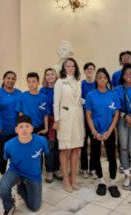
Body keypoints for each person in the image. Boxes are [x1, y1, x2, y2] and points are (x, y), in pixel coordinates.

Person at [0, 115, 49, 214]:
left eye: (27, 126)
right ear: (16, 130)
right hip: (16, 171)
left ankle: (21, 188)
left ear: (32, 128)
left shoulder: (42, 141)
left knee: (34, 207)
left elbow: (46, 154)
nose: (24, 129)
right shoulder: (8, 145)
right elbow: (5, 159)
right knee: (2, 189)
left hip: (33, 175)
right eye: (21, 127)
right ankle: (10, 205)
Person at [85, 68, 121, 197]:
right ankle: (101, 181)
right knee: (95, 156)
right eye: (99, 77)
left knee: (112, 157)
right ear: (96, 79)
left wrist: (110, 130)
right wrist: (94, 131)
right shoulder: (90, 95)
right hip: (95, 131)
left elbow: (116, 114)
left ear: (107, 79)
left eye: (104, 77)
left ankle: (112, 182)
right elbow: (88, 114)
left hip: (109, 131)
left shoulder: (113, 94)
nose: (102, 79)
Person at [53, 58, 85, 192]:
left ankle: (73, 178)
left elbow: (78, 99)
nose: (70, 68)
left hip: (77, 117)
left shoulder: (78, 82)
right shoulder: (60, 82)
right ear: (64, 68)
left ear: (75, 68)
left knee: (76, 148)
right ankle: (65, 179)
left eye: (73, 66)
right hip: (65, 118)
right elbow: (56, 103)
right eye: (68, 66)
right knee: (65, 149)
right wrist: (57, 120)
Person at [0, 71, 22, 175]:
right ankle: (3, 174)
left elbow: (22, 110)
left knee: (16, 153)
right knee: (3, 153)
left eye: (13, 79)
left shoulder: (19, 93)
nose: (10, 80)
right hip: (2, 130)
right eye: (8, 78)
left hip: (17, 130)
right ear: (3, 79)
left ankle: (14, 174)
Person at [40, 68, 62, 183]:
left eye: (52, 74)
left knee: (59, 146)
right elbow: (42, 107)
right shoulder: (42, 91)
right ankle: (49, 169)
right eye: (47, 74)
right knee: (50, 146)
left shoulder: (60, 88)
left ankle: (57, 168)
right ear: (45, 77)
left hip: (60, 120)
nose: (50, 76)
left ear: (56, 76)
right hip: (48, 121)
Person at [80, 62, 97, 179]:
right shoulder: (81, 84)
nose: (89, 71)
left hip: (95, 119)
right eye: (87, 69)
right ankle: (84, 168)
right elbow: (78, 99)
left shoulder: (98, 84)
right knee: (84, 144)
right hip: (82, 119)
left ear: (94, 70)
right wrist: (87, 102)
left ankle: (93, 168)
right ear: (84, 71)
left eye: (91, 69)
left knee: (95, 144)